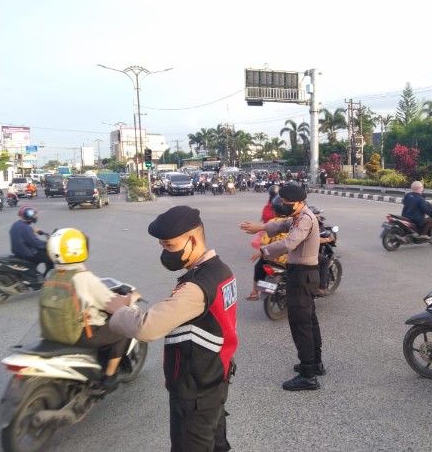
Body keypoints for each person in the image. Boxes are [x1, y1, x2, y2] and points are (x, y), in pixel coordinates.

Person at [107, 206, 237, 451]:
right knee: (216, 444)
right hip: (216, 378)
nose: (165, 253)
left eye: (168, 245)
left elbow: (147, 328)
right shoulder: (221, 271)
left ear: (192, 240)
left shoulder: (196, 286)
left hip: (195, 390)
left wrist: (119, 310)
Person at [240, 184, 323, 391]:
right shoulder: (298, 215)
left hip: (303, 276)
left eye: (287, 203)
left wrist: (263, 250)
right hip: (301, 274)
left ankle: (308, 374)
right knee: (309, 320)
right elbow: (283, 224)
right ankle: (316, 363)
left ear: (300, 202)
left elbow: (289, 242)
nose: (284, 206)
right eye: (282, 203)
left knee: (300, 324)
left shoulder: (305, 218)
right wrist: (260, 228)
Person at [45, 228, 131, 392]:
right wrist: (131, 298)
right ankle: (110, 376)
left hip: (54, 330)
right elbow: (114, 305)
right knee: (124, 327)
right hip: (80, 334)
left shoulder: (51, 274)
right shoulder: (84, 278)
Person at [246, 194, 289, 301]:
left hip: (269, 257)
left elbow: (264, 241)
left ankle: (255, 292)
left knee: (258, 267)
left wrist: (262, 250)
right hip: (285, 259)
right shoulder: (292, 221)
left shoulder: (271, 223)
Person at [10, 205, 54, 275]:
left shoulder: (17, 224)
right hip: (27, 254)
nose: (36, 217)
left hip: (18, 252)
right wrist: (48, 244)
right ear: (29, 216)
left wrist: (32, 230)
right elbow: (36, 243)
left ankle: (34, 272)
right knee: (49, 257)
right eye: (34, 215)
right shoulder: (25, 228)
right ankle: (46, 277)